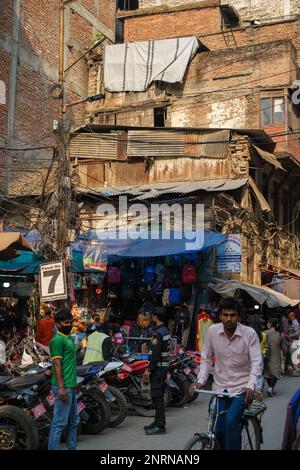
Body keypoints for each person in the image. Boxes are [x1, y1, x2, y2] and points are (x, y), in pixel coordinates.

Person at [193, 297, 262, 450]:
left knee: (231, 421)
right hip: (220, 387)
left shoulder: (249, 334)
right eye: (225, 315)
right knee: (217, 428)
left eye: (232, 315)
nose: (229, 319)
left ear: (238, 316)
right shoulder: (212, 331)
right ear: (220, 316)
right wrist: (201, 380)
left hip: (242, 388)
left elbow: (257, 362)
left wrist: (251, 386)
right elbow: (205, 358)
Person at [48, 310, 80, 451]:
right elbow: (57, 365)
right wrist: (61, 387)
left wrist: (73, 385)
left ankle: (72, 448)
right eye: (66, 322)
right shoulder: (57, 340)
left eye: (71, 321)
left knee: (74, 421)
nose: (69, 324)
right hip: (63, 386)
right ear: (57, 324)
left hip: (71, 385)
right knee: (59, 423)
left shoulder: (70, 338)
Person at [143, 307, 171, 435]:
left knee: (157, 397)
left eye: (152, 316)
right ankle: (157, 422)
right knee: (158, 396)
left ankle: (160, 426)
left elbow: (155, 354)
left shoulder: (158, 333)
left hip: (158, 369)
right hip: (163, 369)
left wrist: (149, 369)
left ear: (155, 317)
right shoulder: (165, 331)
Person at [264, 318, 286, 397]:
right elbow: (283, 348)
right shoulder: (281, 334)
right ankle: (270, 388)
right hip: (276, 356)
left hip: (266, 355)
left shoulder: (265, 333)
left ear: (270, 323)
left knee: (267, 373)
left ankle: (271, 388)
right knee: (275, 373)